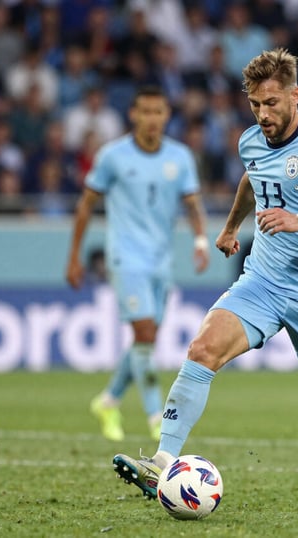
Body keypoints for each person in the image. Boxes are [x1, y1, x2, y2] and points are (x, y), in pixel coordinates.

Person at [111, 48, 298, 499]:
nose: (262, 114)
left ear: (295, 95)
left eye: (271, 103)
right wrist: (229, 228)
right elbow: (252, 178)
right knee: (203, 349)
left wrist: (297, 220)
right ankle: (162, 463)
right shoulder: (250, 141)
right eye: (255, 104)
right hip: (262, 279)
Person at [66, 85, 210, 442]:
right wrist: (74, 257)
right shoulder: (112, 156)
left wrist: (201, 240)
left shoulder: (179, 157)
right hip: (126, 257)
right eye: (145, 112)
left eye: (158, 112)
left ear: (167, 116)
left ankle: (108, 400)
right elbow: (85, 205)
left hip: (161, 260)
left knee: (144, 343)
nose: (151, 119)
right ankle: (155, 417)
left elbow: (192, 203)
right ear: (133, 114)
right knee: (144, 335)